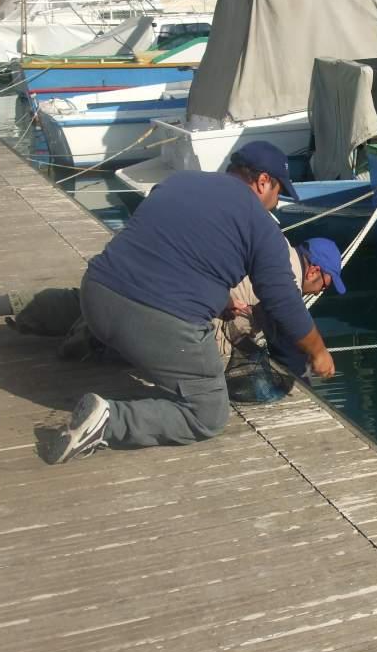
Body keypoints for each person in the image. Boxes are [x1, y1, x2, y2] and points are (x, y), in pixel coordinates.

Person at [40, 142, 335, 463]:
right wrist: (317, 351)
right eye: (279, 192)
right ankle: (108, 420)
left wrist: (221, 298)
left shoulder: (180, 181)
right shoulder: (261, 226)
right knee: (208, 412)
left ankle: (90, 336)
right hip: (154, 321)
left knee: (138, 325)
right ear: (263, 181)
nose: (276, 204)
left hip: (95, 294)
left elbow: (171, 249)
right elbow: (283, 303)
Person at [0, 236, 347, 369]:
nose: (323, 290)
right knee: (188, 356)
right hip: (178, 316)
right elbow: (263, 330)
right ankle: (96, 340)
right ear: (316, 272)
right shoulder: (288, 283)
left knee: (81, 300)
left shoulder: (267, 237)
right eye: (328, 283)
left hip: (141, 270)